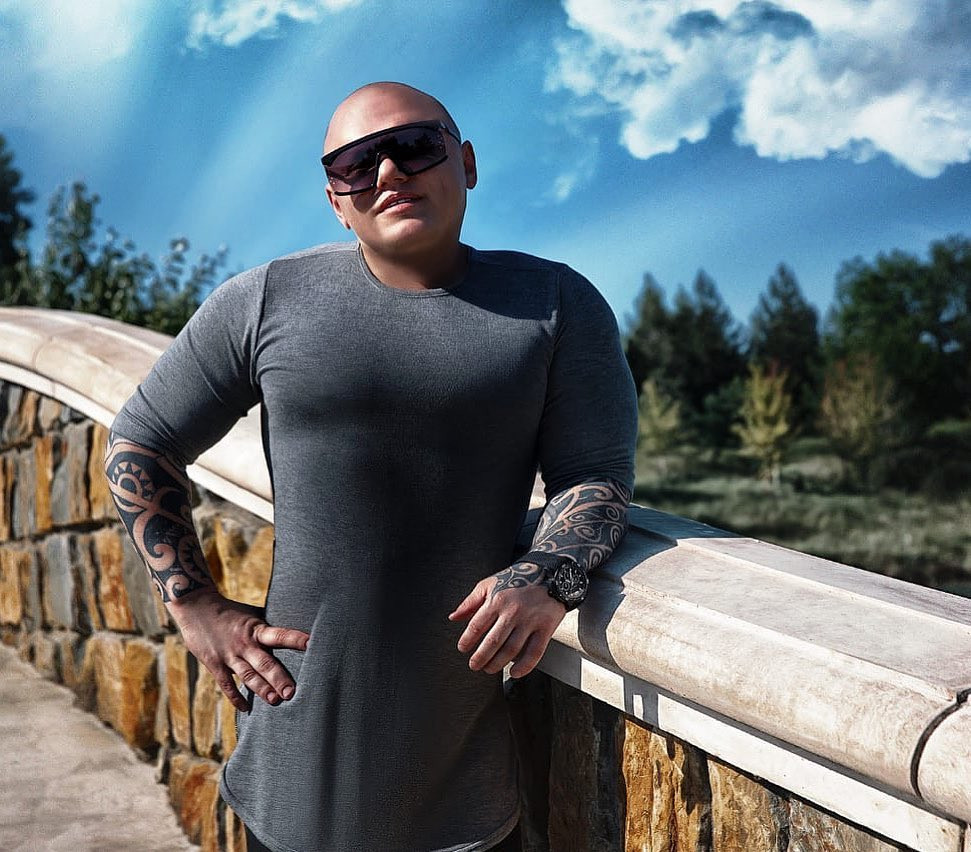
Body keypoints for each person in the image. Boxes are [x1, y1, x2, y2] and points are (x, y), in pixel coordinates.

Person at [104, 81, 637, 852]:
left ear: (466, 162)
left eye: (413, 146)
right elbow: (141, 440)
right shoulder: (265, 300)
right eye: (355, 164)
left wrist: (551, 570)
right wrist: (194, 605)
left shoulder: (554, 303)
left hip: (462, 796)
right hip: (288, 782)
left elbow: (594, 474)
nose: (387, 172)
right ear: (336, 201)